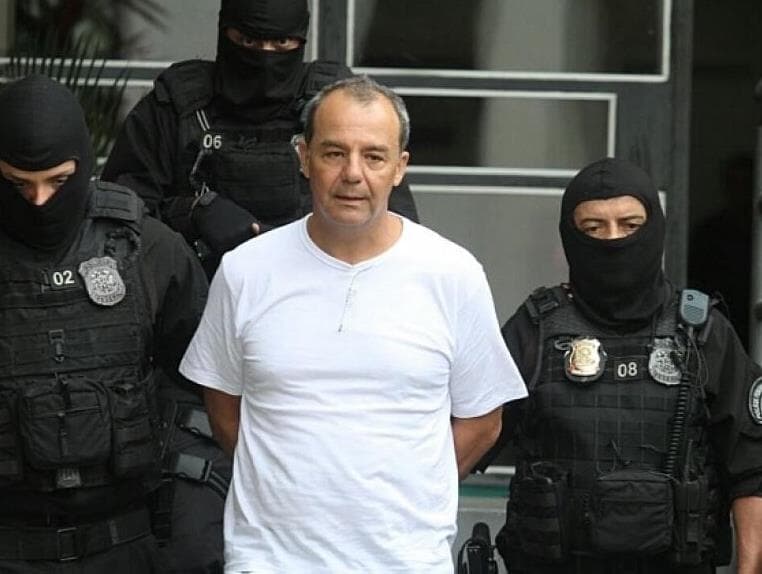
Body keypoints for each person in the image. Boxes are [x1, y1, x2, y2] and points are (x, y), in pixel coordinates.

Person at [179, 75, 527, 573]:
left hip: (404, 562)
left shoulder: (453, 274)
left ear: (400, 168)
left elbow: (484, 420)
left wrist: (410, 491)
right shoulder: (245, 271)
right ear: (304, 157)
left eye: (374, 156)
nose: (353, 174)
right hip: (270, 561)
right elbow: (224, 410)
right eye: (334, 153)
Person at [487, 157, 762, 574]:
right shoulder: (536, 329)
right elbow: (468, 436)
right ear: (569, 235)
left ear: (655, 229)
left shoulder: (704, 332)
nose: (613, 240)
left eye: (630, 225)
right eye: (593, 228)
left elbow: (752, 468)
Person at [0, 74, 208, 572]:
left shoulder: (148, 248)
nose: (40, 201)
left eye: (58, 181)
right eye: (18, 184)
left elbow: (205, 391)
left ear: (84, 164)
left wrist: (193, 522)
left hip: (128, 543)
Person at [101, 0, 419, 279]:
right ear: (225, 33)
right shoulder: (178, 107)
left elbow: (396, 228)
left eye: (281, 43)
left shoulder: (335, 110)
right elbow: (117, 219)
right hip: (195, 295)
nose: (265, 57)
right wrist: (192, 212)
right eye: (249, 41)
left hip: (322, 288)